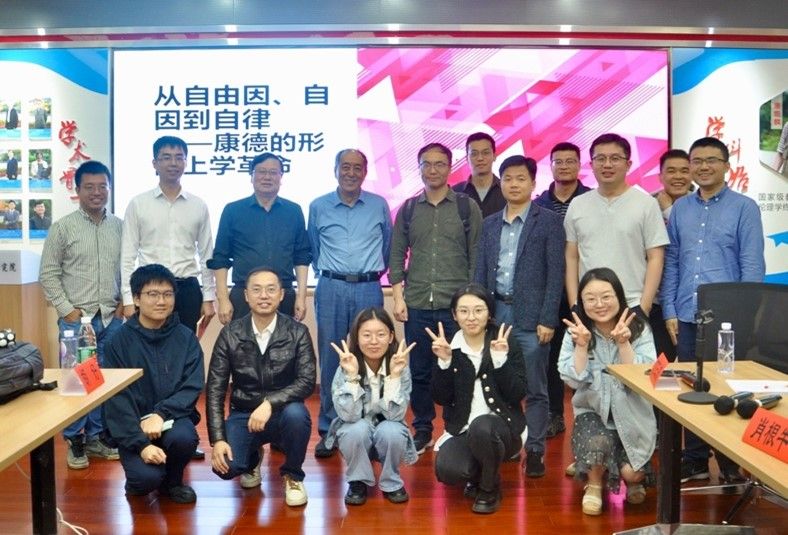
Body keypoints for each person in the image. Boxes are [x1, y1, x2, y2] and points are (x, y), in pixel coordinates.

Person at [661, 136, 765, 484]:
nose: (703, 167)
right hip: (687, 314)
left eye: (711, 160)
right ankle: (695, 459)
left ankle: (730, 461)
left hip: (728, 318)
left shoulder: (744, 208)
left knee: (725, 385)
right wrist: (670, 309)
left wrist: (746, 315)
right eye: (697, 161)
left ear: (726, 166)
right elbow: (673, 262)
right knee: (692, 386)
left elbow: (752, 265)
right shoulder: (681, 209)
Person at [389, 142, 483, 454]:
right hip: (417, 303)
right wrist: (398, 298)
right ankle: (423, 428)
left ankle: (459, 427)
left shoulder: (466, 207)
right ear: (418, 168)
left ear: (450, 167)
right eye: (426, 164)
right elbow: (396, 254)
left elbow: (476, 256)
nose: (433, 170)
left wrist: (471, 303)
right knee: (420, 371)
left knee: (460, 369)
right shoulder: (408, 209)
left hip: (456, 307)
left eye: (439, 164)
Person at [474, 155, 564, 477]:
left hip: (532, 318)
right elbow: (481, 271)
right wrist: (480, 313)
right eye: (508, 178)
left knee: (535, 388)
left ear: (533, 183)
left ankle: (535, 450)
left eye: (521, 178)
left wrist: (548, 318)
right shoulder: (489, 224)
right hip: (496, 314)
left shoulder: (549, 222)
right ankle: (509, 443)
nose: (514, 184)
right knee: (499, 384)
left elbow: (555, 274)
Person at [206, 267, 315, 507]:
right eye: (256, 290)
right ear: (246, 295)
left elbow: (307, 381)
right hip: (243, 414)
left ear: (281, 294)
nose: (264, 296)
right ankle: (252, 458)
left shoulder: (298, 332)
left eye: (270, 289)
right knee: (226, 467)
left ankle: (293, 475)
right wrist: (217, 439)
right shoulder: (230, 334)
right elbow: (214, 390)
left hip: (284, 412)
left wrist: (269, 404)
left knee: (298, 415)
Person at [308, 149, 392, 458]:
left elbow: (387, 246)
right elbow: (314, 248)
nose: (351, 173)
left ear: (365, 172)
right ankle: (330, 429)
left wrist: (369, 274)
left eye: (358, 168)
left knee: (372, 355)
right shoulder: (318, 206)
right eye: (345, 167)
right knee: (332, 357)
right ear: (335, 170)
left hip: (369, 286)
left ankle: (370, 427)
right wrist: (334, 274)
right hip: (331, 286)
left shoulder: (378, 205)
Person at [39, 160, 123, 470]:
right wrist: (68, 311)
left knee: (103, 380)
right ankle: (75, 439)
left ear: (109, 188)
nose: (97, 192)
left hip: (111, 318)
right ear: (78, 190)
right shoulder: (63, 227)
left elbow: (127, 268)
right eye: (89, 187)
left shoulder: (120, 226)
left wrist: (124, 302)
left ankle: (96, 437)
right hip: (76, 319)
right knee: (77, 381)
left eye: (102, 186)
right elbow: (48, 274)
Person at [559, 267, 657, 516]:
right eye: (590, 299)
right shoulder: (576, 331)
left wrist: (624, 344)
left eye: (606, 296)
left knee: (632, 474)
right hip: (593, 411)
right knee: (598, 444)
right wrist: (581, 346)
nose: (599, 304)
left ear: (619, 297)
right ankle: (594, 484)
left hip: (633, 413)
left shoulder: (639, 328)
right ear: (581, 303)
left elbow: (645, 377)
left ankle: (626, 476)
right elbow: (571, 380)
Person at [103, 264, 204, 504]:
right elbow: (117, 399)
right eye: (153, 294)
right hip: (134, 424)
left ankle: (173, 482)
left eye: (168, 294)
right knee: (145, 480)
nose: (161, 301)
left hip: (171, 418)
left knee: (184, 438)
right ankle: (141, 478)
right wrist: (141, 444)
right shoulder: (118, 342)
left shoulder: (185, 337)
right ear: (137, 299)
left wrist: (161, 414)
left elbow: (191, 386)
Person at [430, 283, 526, 514]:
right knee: (448, 470)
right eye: (463, 311)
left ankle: (489, 488)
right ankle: (483, 472)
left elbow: (518, 393)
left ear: (489, 312)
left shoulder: (504, 340)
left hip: (503, 428)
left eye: (478, 310)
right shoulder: (449, 346)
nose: (471, 317)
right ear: (454, 315)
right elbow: (441, 397)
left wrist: (500, 361)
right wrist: (444, 362)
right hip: (463, 429)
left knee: (482, 427)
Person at [564, 133, 668, 330]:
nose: (607, 164)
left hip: (632, 305)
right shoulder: (577, 205)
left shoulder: (646, 204)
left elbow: (656, 257)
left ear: (628, 164)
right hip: (590, 306)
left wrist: (644, 306)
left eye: (615, 158)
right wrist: (575, 304)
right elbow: (571, 257)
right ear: (591, 164)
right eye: (600, 159)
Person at [121, 135, 215, 336]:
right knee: (148, 346)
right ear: (155, 163)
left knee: (185, 346)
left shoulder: (198, 205)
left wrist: (208, 297)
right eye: (166, 157)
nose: (173, 163)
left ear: (186, 163)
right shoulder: (138, 204)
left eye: (179, 157)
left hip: (187, 290)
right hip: (151, 288)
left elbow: (207, 255)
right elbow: (127, 256)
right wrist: (129, 299)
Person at [323, 307, 417, 505]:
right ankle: (357, 481)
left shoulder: (400, 367)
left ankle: (391, 481)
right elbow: (348, 417)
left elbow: (395, 416)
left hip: (386, 430)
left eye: (381, 334)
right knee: (355, 429)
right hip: (358, 432)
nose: (374, 341)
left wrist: (395, 377)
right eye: (366, 335)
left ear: (391, 337)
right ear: (356, 338)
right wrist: (351, 377)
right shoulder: (345, 367)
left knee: (392, 430)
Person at [209, 152, 310, 322]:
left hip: (283, 294)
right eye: (261, 172)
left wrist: (301, 296)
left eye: (273, 172)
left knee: (285, 339)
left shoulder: (294, 211)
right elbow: (220, 258)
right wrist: (223, 299)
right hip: (244, 294)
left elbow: (301, 256)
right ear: (251, 176)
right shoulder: (233, 210)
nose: (267, 177)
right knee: (242, 340)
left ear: (281, 177)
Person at [533, 141, 591, 438]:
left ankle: (592, 417)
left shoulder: (591, 200)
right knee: (551, 356)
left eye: (571, 161)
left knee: (589, 352)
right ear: (551, 166)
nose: (565, 166)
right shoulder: (539, 204)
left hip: (586, 290)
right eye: (559, 161)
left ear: (580, 165)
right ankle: (554, 413)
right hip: (548, 291)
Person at [648, 149, 693, 361]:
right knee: (660, 364)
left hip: (689, 300)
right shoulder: (647, 205)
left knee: (692, 364)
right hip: (656, 300)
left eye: (684, 171)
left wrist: (669, 211)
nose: (678, 176)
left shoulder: (701, 205)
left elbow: (690, 242)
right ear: (660, 176)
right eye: (671, 171)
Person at [452, 132, 506, 217]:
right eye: (474, 154)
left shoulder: (507, 190)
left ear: (494, 156)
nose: (480, 158)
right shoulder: (454, 193)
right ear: (466, 159)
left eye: (485, 153)